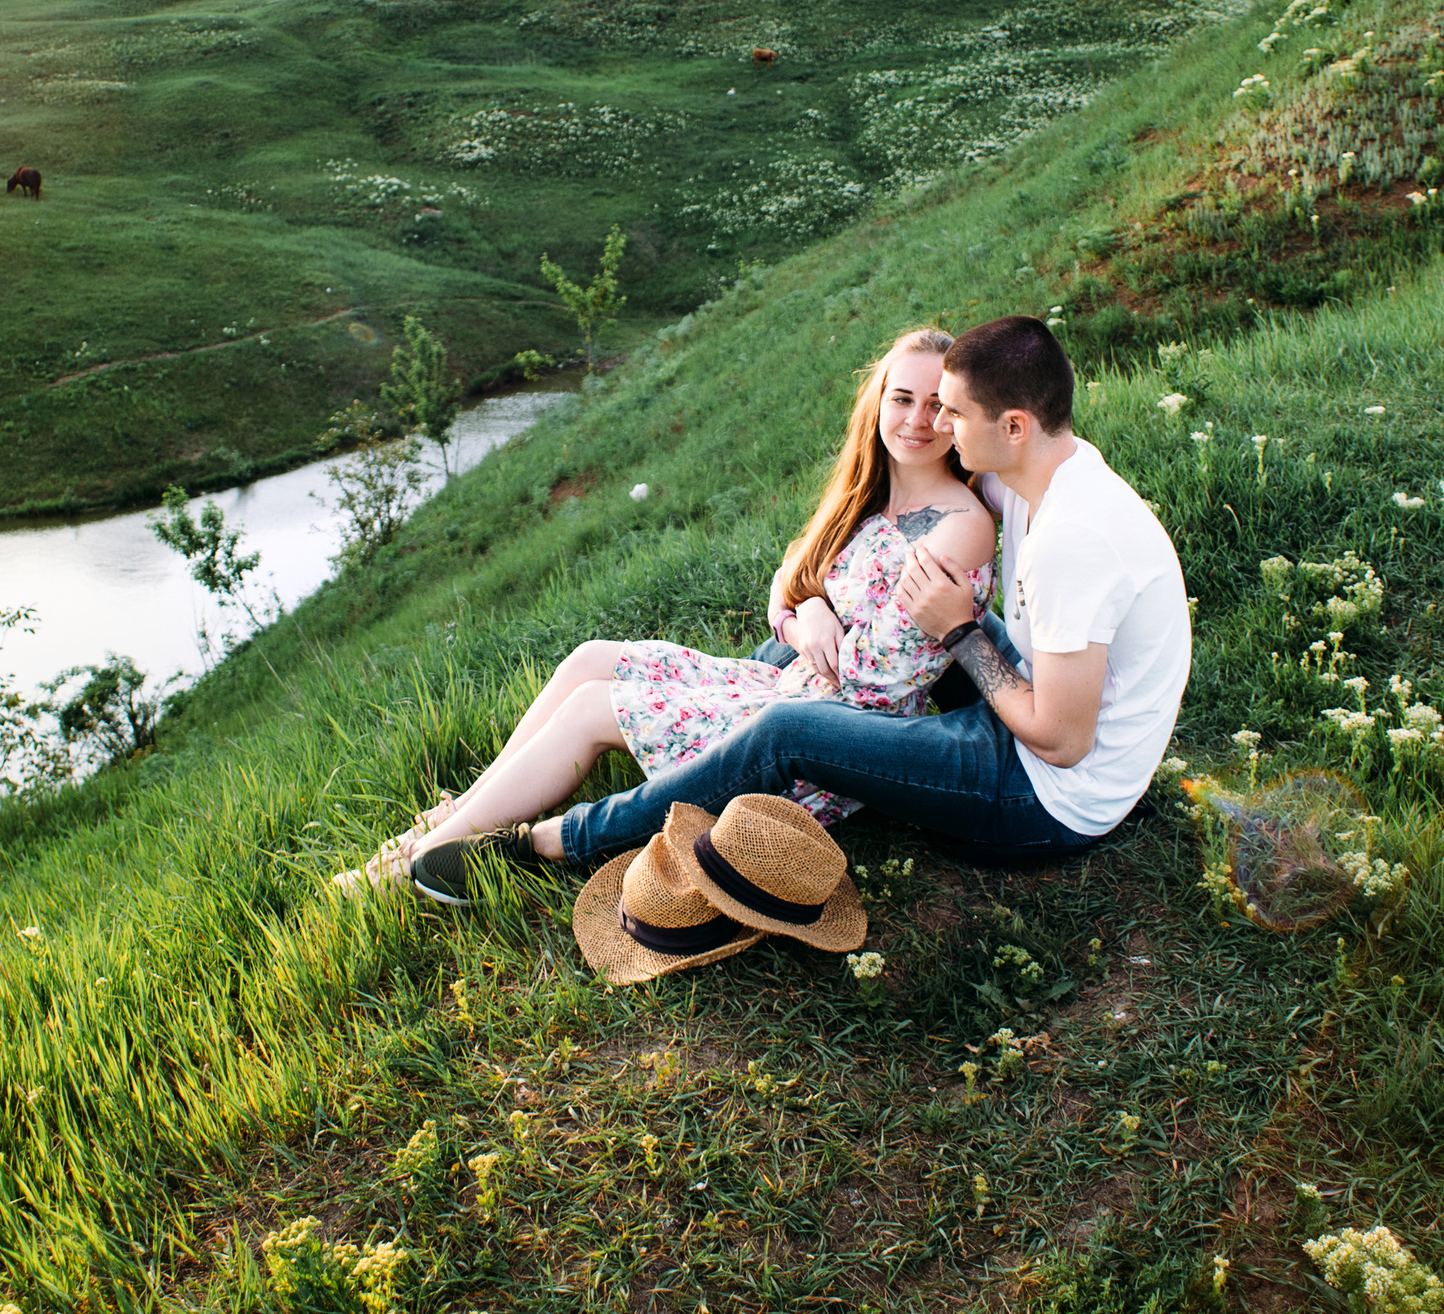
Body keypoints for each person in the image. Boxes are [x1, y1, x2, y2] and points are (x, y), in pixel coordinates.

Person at [420, 314, 1190, 886]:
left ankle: (550, 841)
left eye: (953, 414)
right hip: (1004, 707)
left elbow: (1062, 739)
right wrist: (805, 607)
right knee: (733, 666)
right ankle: (473, 808)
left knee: (790, 721)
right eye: (923, 405)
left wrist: (960, 632)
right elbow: (854, 533)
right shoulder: (1033, 469)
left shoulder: (1070, 536)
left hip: (1047, 795)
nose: (938, 428)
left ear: (1014, 426)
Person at [335, 328, 996, 900]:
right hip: (787, 687)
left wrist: (805, 618)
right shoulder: (871, 494)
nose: (915, 419)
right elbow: (796, 572)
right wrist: (808, 612)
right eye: (901, 398)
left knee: (596, 705)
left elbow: (879, 678)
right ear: (877, 403)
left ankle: (412, 862)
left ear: (957, 417)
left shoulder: (958, 526)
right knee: (592, 657)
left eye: (936, 405)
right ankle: (453, 816)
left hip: (831, 740)